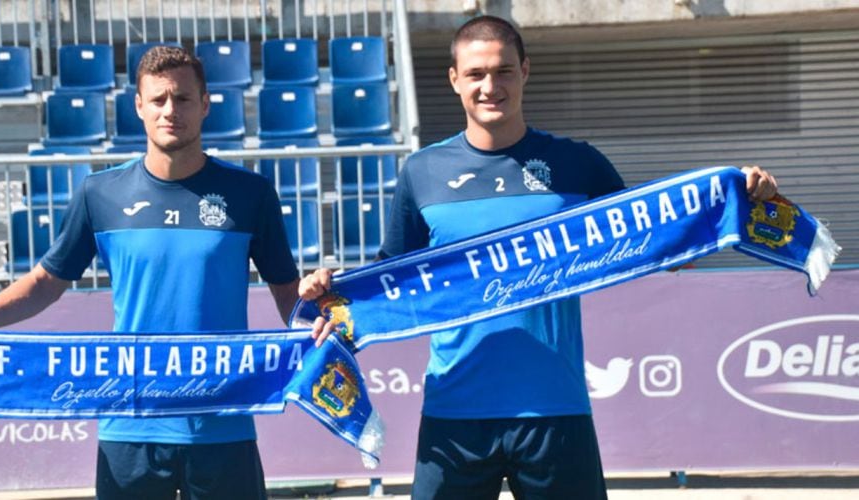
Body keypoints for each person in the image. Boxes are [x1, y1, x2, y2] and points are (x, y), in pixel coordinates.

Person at [299, 15, 779, 500]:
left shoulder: (578, 164)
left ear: (525, 70)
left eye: (504, 71)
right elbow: (389, 282)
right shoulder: (422, 172)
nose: (491, 86)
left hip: (555, 410)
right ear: (454, 80)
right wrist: (329, 290)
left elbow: (660, 246)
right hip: (455, 414)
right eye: (476, 74)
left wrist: (737, 204)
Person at [0, 46, 301, 500]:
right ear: (138, 106)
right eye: (157, 100)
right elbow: (45, 282)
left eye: (182, 99)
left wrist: (327, 321)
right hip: (130, 424)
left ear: (205, 104)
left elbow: (289, 296)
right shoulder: (100, 193)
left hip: (221, 422)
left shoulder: (250, 194)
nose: (169, 111)